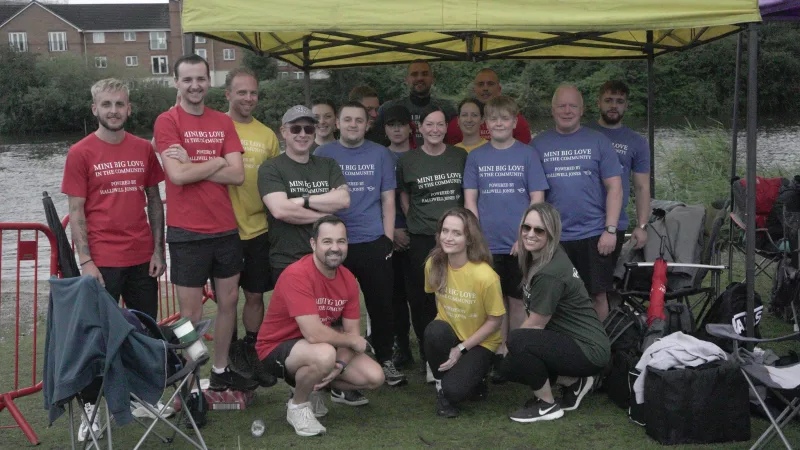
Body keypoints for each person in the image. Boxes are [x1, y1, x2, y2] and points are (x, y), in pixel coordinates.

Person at [61, 78, 168, 441]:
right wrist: (86, 262)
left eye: (119, 104)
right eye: (106, 104)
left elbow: (154, 201)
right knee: (98, 339)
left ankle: (141, 397)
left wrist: (158, 250)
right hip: (102, 262)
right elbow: (76, 211)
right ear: (94, 109)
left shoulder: (142, 149)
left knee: (142, 332)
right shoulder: (80, 152)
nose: (113, 110)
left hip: (142, 258)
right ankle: (92, 407)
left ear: (129, 108)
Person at [154, 54, 257, 392]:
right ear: (176, 83)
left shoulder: (222, 122)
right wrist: (215, 164)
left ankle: (222, 368)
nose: (195, 85)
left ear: (209, 81)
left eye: (200, 79)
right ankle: (190, 375)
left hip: (225, 230)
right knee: (190, 315)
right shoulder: (167, 121)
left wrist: (200, 162)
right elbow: (177, 175)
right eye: (187, 80)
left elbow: (238, 174)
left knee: (229, 303)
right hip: (186, 233)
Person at [259, 105, 368, 405]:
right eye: (296, 128)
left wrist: (305, 200)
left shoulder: (327, 164)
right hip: (288, 257)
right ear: (283, 132)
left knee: (328, 320)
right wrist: (322, 217)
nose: (303, 134)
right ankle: (303, 389)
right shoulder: (271, 168)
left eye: (309, 128)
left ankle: (327, 380)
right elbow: (280, 209)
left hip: (326, 259)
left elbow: (343, 199)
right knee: (304, 329)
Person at [255, 215, 384, 437]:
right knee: (324, 354)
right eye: (327, 242)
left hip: (318, 347)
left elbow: (352, 334)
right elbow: (315, 334)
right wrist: (351, 341)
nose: (335, 248)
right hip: (276, 348)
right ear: (313, 244)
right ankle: (298, 406)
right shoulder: (297, 274)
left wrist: (340, 365)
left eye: (341, 241)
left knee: (374, 377)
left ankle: (314, 385)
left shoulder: (348, 280)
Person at [315, 101, 407, 386]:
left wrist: (388, 239)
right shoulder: (323, 153)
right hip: (335, 243)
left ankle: (385, 359)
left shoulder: (381, 154)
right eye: (348, 119)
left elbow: (388, 199)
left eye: (359, 120)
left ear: (367, 125)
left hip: (372, 239)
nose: (353, 124)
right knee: (330, 306)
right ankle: (330, 359)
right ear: (337, 124)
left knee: (381, 304)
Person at [463, 95, 549, 383]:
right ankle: (492, 354)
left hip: (518, 245)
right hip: (486, 243)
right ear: (486, 124)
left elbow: (537, 198)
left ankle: (513, 353)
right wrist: (476, 236)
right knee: (491, 302)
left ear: (514, 122)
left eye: (505, 118)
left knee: (515, 302)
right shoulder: (476, 156)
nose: (499, 123)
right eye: (493, 119)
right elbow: (470, 200)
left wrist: (525, 236)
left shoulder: (528, 154)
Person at [505, 203, 610, 423]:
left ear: (552, 234)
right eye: (526, 227)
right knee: (515, 355)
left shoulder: (550, 272)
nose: (530, 234)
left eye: (539, 230)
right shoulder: (545, 254)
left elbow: (535, 325)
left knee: (516, 348)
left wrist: (509, 352)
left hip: (588, 349)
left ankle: (546, 405)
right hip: (577, 341)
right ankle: (573, 382)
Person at [530, 84, 623, 321]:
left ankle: (599, 351)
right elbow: (532, 195)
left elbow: (615, 187)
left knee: (598, 297)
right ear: (552, 110)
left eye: (573, 105)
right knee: (553, 298)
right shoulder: (537, 145)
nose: (567, 110)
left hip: (593, 235)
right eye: (562, 105)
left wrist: (610, 230)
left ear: (582, 110)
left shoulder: (599, 141)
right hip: (553, 238)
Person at [217, 67, 280, 387]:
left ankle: (252, 349)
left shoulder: (267, 135)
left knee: (255, 296)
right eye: (241, 92)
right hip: (222, 230)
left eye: (253, 92)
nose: (248, 98)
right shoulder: (213, 127)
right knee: (226, 301)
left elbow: (276, 181)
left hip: (257, 228)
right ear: (227, 94)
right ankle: (227, 356)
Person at [396, 109, 467, 381]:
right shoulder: (408, 161)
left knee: (456, 295)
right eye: (429, 124)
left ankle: (458, 351)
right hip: (423, 237)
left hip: (457, 237)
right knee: (423, 298)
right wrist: (417, 222)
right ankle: (430, 357)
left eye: (440, 124)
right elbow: (405, 197)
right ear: (420, 128)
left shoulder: (460, 156)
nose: (435, 129)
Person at [423, 208, 505, 418]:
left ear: (469, 239)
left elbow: (496, 321)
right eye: (445, 231)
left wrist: (460, 348)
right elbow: (437, 302)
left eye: (456, 233)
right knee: (434, 331)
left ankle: (474, 379)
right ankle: (443, 385)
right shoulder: (433, 264)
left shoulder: (485, 276)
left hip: (480, 342)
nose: (448, 238)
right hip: (450, 335)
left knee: (456, 391)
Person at [590, 81, 651, 249]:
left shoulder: (637, 142)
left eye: (619, 101)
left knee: (605, 275)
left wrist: (642, 226)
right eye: (608, 100)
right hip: (581, 223)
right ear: (598, 103)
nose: (613, 106)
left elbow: (642, 187)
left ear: (626, 105)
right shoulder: (583, 133)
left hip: (615, 223)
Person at [383, 104, 415, 368]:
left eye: (401, 124)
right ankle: (401, 347)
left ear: (409, 127)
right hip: (389, 234)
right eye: (391, 124)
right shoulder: (379, 157)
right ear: (384, 129)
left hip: (418, 235)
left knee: (422, 296)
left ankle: (429, 347)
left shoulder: (420, 156)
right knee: (394, 298)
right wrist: (391, 230)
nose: (396, 128)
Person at [374, 60, 456, 145]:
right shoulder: (388, 108)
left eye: (425, 74)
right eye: (414, 74)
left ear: (432, 79)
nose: (420, 78)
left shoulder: (447, 109)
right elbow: (375, 139)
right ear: (406, 79)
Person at [445, 69, 531, 145]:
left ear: (499, 89)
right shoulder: (457, 123)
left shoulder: (516, 121)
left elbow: (524, 153)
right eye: (481, 84)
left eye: (490, 84)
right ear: (474, 90)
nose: (485, 88)